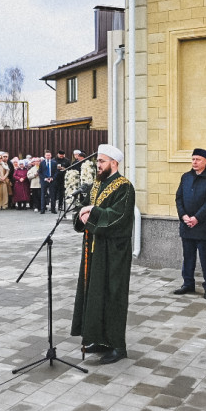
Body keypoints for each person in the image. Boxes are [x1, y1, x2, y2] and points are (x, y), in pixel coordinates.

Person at [71, 144, 136, 365]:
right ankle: (99, 339)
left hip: (114, 252)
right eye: (97, 161)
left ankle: (117, 346)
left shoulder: (125, 187)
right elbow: (83, 207)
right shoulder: (96, 185)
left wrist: (93, 212)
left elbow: (119, 217)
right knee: (95, 293)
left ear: (114, 163)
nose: (97, 165)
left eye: (102, 161)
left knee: (113, 294)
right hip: (93, 250)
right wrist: (81, 215)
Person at [173, 148, 206, 299]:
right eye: (193, 159)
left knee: (205, 258)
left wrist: (196, 218)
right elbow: (179, 198)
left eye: (198, 159)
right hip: (186, 225)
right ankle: (188, 283)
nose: (194, 162)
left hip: (202, 226)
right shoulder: (186, 177)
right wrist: (183, 216)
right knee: (188, 257)